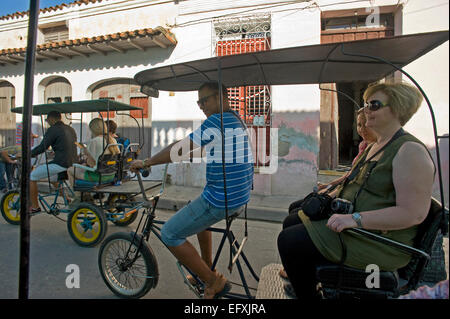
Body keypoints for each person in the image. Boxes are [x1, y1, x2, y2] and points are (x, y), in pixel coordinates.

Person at [277, 81, 435, 299]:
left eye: (375, 104)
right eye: (366, 104)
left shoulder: (410, 152)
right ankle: (306, 283)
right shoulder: (376, 144)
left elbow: (413, 213)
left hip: (380, 241)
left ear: (397, 109)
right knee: (293, 219)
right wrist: (330, 196)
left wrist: (355, 219)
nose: (366, 110)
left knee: (290, 241)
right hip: (361, 230)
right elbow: (353, 182)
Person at [130, 82, 254, 299]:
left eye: (205, 100)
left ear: (221, 97)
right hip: (238, 196)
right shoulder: (235, 119)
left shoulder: (216, 121)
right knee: (192, 209)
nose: (201, 106)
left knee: (169, 233)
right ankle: (205, 267)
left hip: (220, 199)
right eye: (199, 102)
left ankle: (213, 281)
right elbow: (196, 149)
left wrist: (148, 162)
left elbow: (180, 147)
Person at [279, 109, 378, 282]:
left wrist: (333, 196)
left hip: (352, 214)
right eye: (359, 124)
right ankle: (296, 267)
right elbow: (350, 176)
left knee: (291, 227)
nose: (362, 129)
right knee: (295, 208)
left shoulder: (385, 151)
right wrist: (329, 187)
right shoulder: (366, 147)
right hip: (343, 200)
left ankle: (301, 272)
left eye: (365, 124)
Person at [30, 111, 78, 214]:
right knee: (53, 178)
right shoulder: (71, 129)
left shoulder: (53, 129)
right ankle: (67, 199)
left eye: (47, 121)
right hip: (72, 163)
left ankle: (35, 207)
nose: (48, 123)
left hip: (61, 163)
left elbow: (43, 147)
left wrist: (28, 154)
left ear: (51, 119)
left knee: (31, 177)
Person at [67, 118, 120, 189]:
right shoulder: (113, 140)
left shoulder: (94, 141)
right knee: (80, 168)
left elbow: (91, 164)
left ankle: (78, 196)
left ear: (93, 129)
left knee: (70, 170)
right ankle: (86, 195)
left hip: (98, 176)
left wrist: (86, 154)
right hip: (111, 174)